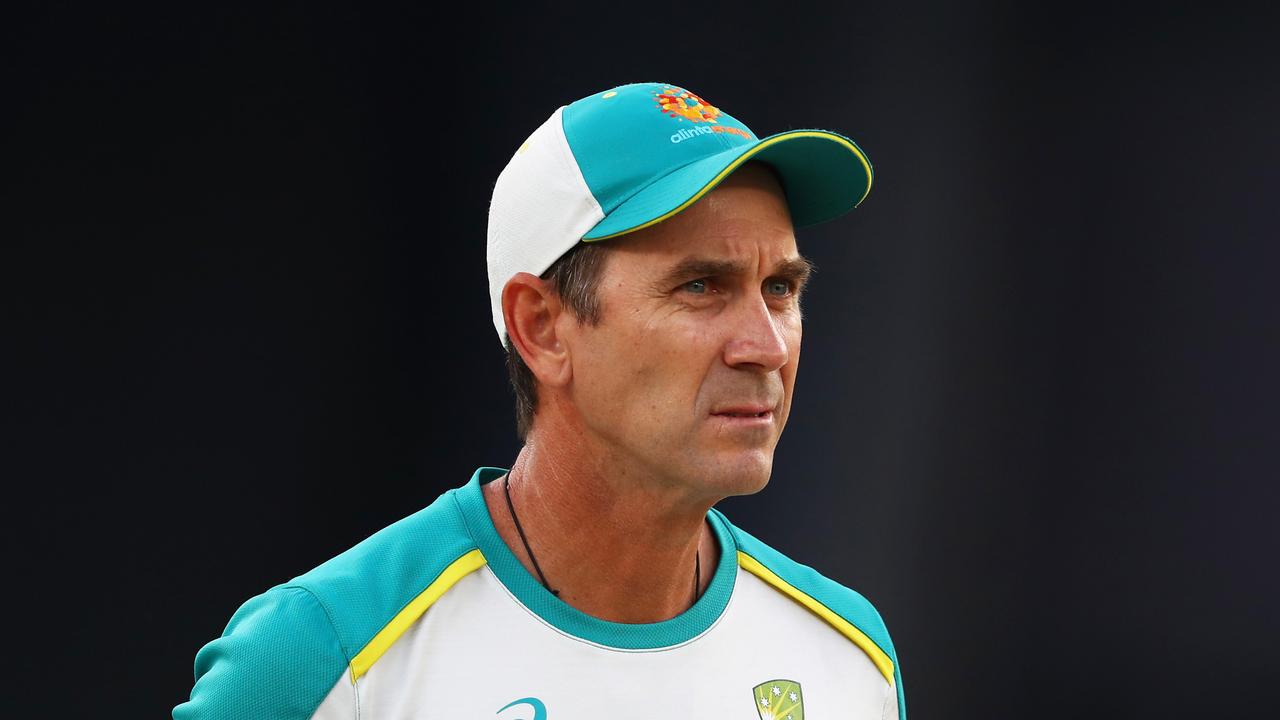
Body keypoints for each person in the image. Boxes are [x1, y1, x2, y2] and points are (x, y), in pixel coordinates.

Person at [174, 81, 906, 720]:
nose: (767, 347)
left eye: (781, 289)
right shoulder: (317, 661)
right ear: (542, 326)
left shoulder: (845, 657)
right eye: (701, 286)